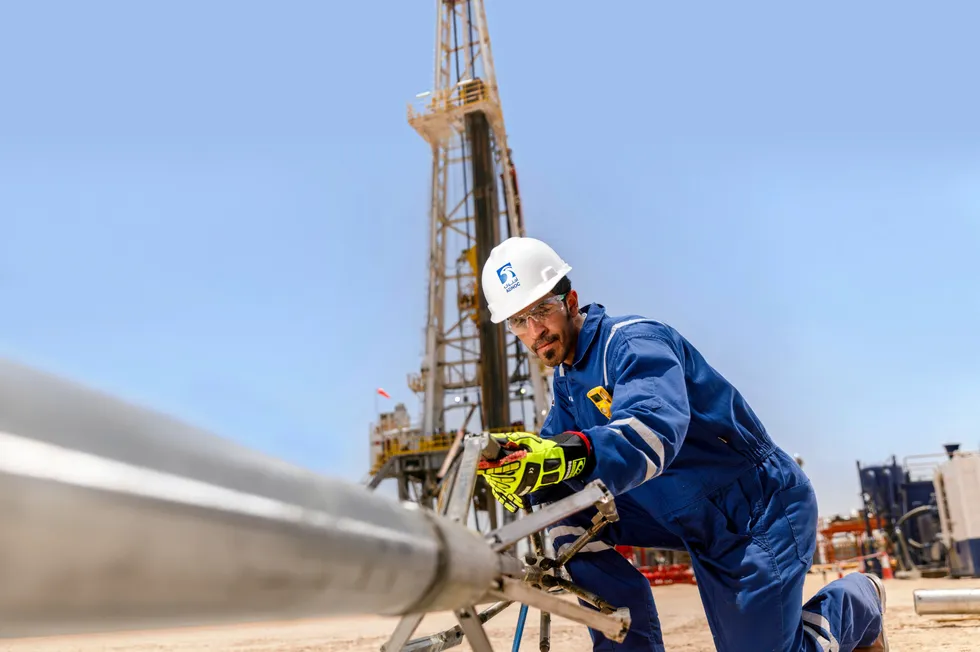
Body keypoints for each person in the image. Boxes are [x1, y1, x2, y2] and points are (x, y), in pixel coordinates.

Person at [475, 236, 889, 652]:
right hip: (683, 516)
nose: (535, 331)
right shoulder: (567, 383)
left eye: (542, 310)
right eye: (518, 321)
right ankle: (627, 644)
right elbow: (556, 457)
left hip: (754, 512)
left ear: (570, 300)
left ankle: (858, 601)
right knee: (558, 504)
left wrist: (566, 454)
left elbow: (653, 429)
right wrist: (524, 474)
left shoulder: (633, 342)